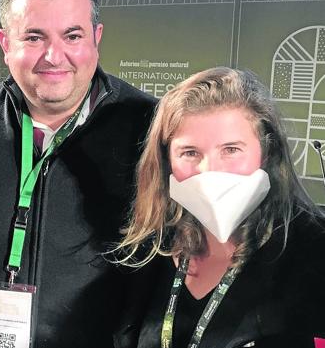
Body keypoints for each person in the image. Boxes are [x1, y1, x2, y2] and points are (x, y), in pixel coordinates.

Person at [0, 0, 156, 347]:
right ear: (5, 44)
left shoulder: (148, 128)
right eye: (34, 37)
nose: (55, 56)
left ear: (96, 37)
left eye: (72, 35)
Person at [111, 67, 325, 347]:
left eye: (231, 150)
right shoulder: (149, 248)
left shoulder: (313, 250)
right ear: (166, 161)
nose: (209, 170)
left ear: (266, 151)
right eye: (189, 153)